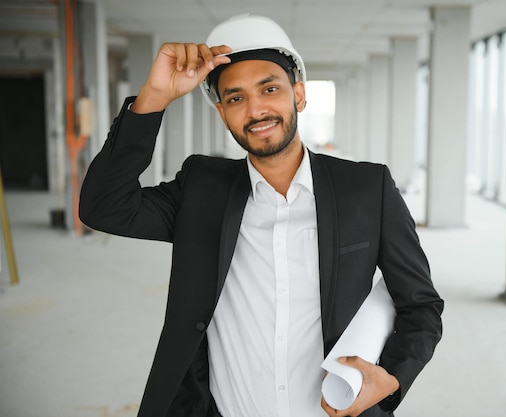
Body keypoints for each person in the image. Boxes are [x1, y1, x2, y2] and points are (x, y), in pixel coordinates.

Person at [79, 14, 443, 417]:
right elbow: (103, 207)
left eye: (269, 88)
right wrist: (153, 98)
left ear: (299, 95)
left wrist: (391, 378)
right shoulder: (202, 189)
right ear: (222, 114)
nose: (256, 109)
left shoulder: (366, 188)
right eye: (235, 98)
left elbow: (420, 305)